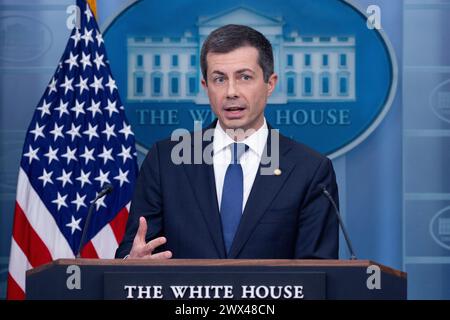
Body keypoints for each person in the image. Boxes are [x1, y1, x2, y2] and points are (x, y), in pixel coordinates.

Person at [115, 24, 339, 260]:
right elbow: (133, 252)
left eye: (244, 77)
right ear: (206, 87)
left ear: (270, 83)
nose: (231, 91)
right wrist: (132, 263)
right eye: (219, 79)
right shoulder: (165, 161)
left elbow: (318, 274)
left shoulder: (310, 170)